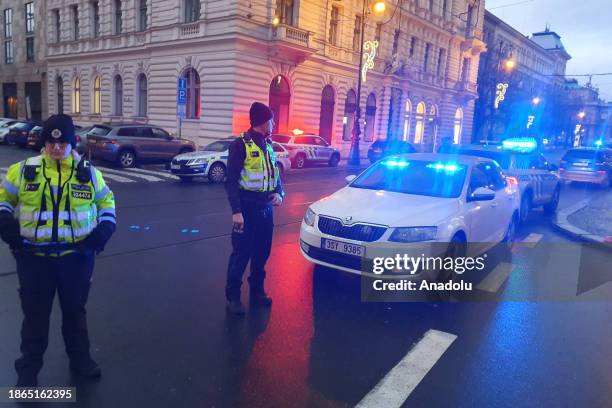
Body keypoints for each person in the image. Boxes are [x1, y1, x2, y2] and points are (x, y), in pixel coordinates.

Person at [0, 114, 116, 387]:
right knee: (34, 320)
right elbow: (4, 200)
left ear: (71, 143)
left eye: (62, 143)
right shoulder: (23, 170)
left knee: (75, 315)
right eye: (51, 143)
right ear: (44, 143)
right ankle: (27, 375)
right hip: (33, 259)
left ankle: (81, 362)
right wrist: (6, 225)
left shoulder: (88, 174)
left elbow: (107, 204)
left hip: (75, 259)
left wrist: (103, 231)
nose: (56, 148)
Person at [225, 102, 285, 315]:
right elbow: (230, 181)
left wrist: (279, 193)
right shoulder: (240, 145)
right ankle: (233, 298)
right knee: (241, 254)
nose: (274, 123)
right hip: (246, 209)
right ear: (262, 121)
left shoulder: (268, 145)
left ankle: (257, 291)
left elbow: (276, 176)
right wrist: (236, 212)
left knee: (262, 253)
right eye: (271, 119)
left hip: (265, 210)